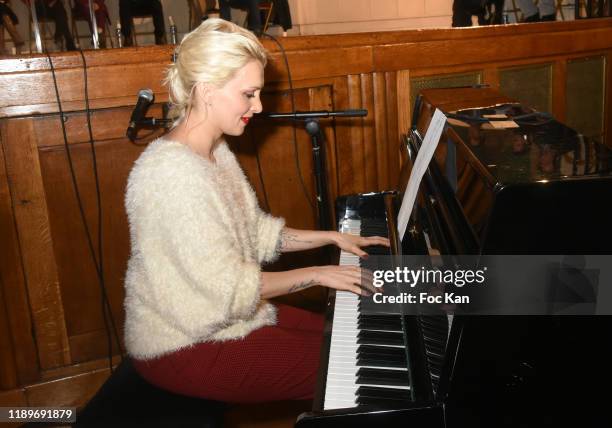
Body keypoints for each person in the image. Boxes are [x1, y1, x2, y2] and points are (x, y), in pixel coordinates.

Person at [124, 18, 387, 403]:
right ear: (208, 91)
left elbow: (256, 233)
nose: (259, 106)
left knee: (356, 335)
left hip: (228, 320)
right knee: (364, 366)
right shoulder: (172, 176)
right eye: (249, 94)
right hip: (183, 345)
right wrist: (318, 273)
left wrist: (331, 237)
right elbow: (226, 288)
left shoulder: (213, 151)